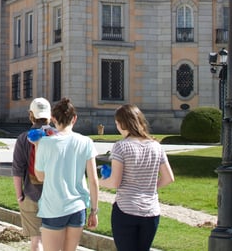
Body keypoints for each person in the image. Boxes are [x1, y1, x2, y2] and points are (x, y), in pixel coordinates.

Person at [101, 104, 175, 251]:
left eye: (117, 123)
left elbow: (115, 182)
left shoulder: (121, 146)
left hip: (126, 209)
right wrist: (149, 187)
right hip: (151, 210)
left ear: (122, 124)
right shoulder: (156, 146)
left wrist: (99, 182)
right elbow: (168, 178)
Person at [33, 98, 99, 251]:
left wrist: (37, 147)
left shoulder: (45, 143)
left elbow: (40, 176)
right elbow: (93, 180)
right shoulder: (86, 142)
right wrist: (94, 211)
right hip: (77, 207)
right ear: (74, 119)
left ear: (54, 119)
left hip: (53, 207)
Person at [12, 97, 52, 251]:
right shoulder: (57, 136)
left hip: (31, 193)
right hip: (55, 196)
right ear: (49, 115)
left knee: (36, 241)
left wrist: (19, 195)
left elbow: (17, 170)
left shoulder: (23, 138)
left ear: (31, 115)